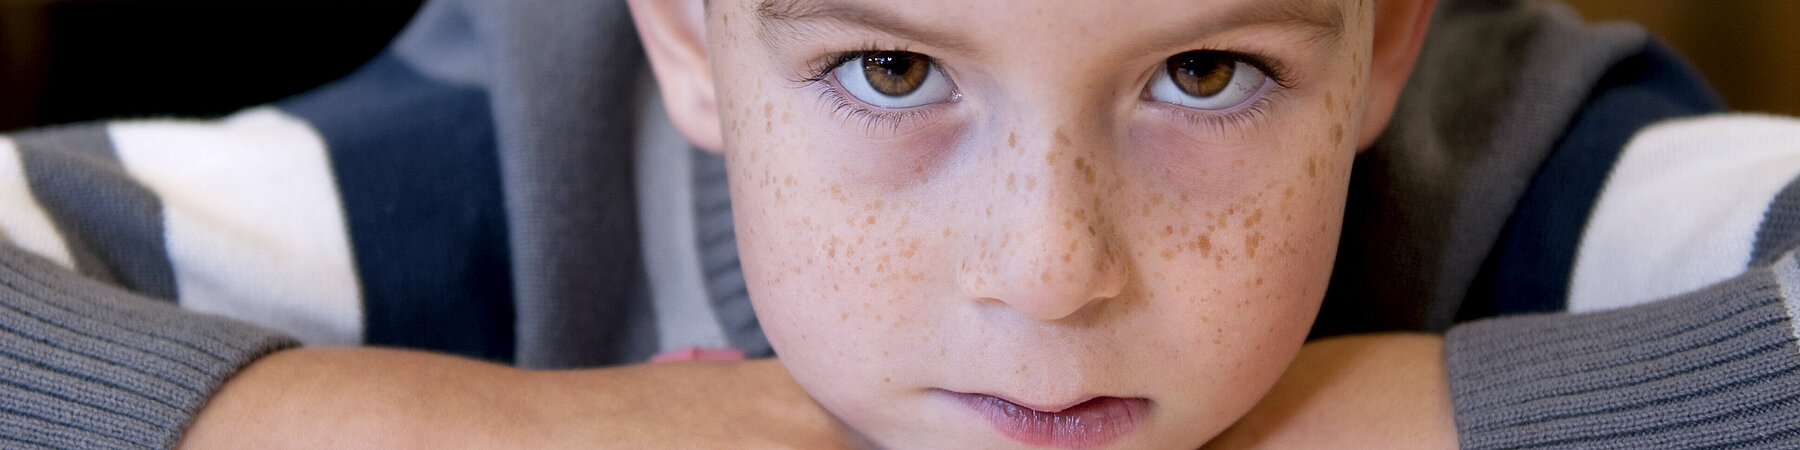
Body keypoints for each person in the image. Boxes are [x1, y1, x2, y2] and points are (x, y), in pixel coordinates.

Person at [0, 0, 1795, 449]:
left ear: (1380, 43)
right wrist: (486, 423)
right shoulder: (509, 150)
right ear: (694, 36)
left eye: (1203, 75)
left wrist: (1393, 414)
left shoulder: (1508, 165)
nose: (1047, 271)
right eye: (884, 69)